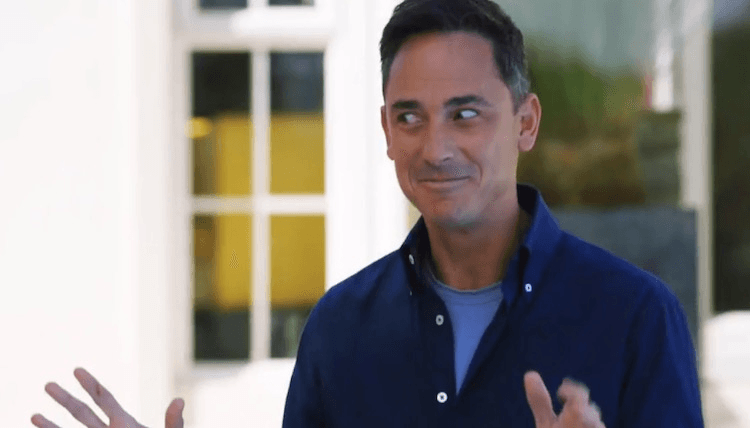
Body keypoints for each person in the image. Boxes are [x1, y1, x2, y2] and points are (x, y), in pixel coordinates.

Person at [33, 0, 704, 427]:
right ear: (386, 131)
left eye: (465, 114)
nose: (435, 147)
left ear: (525, 122)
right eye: (410, 117)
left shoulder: (635, 316)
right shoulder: (341, 326)